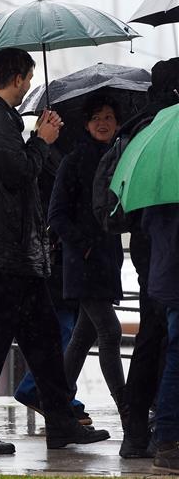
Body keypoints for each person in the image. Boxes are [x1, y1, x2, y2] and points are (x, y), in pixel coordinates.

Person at [0, 48, 109, 454]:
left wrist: (37, 139)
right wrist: (41, 141)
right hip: (5, 253)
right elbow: (18, 174)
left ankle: (59, 420)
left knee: (42, 342)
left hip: (21, 253)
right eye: (28, 79)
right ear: (19, 77)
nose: (28, 88)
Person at [49, 96, 125, 419]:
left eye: (108, 117)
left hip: (108, 262)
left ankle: (56, 403)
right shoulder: (74, 161)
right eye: (96, 118)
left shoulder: (122, 159)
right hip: (84, 263)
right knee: (110, 331)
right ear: (85, 124)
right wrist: (84, 244)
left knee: (83, 335)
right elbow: (56, 215)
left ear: (118, 123)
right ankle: (128, 411)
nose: (103, 123)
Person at [119, 57, 179, 458]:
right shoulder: (168, 130)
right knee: (169, 347)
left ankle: (137, 432)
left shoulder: (146, 131)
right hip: (169, 262)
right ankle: (164, 434)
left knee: (151, 342)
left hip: (154, 260)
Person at [14, 135, 92, 425]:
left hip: (58, 257)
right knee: (66, 330)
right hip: (58, 258)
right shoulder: (52, 158)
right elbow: (55, 210)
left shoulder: (54, 155)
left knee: (72, 330)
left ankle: (51, 392)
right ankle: (44, 390)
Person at [141, 203, 179, 474]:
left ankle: (165, 439)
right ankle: (167, 441)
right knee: (177, 360)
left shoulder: (160, 189)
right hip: (174, 282)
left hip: (165, 279)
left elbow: (147, 226)